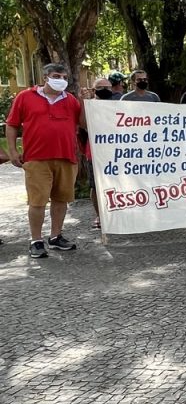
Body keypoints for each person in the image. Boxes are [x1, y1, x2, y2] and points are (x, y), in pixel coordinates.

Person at [5, 64, 83, 258]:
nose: (61, 80)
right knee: (37, 201)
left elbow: (82, 124)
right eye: (57, 76)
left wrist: (84, 100)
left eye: (64, 77)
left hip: (66, 157)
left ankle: (56, 237)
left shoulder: (71, 100)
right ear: (46, 77)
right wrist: (13, 151)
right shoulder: (25, 97)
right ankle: (36, 240)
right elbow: (12, 124)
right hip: (36, 158)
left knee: (61, 199)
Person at [84, 77, 119, 229]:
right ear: (93, 90)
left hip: (117, 153)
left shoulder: (119, 106)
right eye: (101, 87)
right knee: (96, 186)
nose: (105, 90)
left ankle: (117, 215)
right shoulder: (88, 106)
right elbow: (83, 126)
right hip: (94, 153)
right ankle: (99, 216)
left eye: (108, 87)